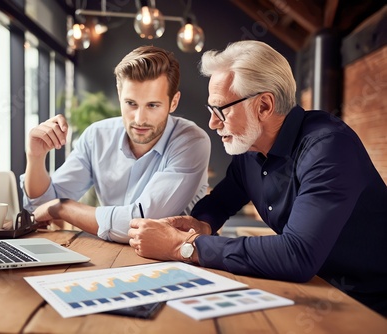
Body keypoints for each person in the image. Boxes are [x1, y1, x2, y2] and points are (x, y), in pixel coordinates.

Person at [128, 40, 387, 315]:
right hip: (314, 292)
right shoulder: (250, 148)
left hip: (368, 305)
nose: (212, 123)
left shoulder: (329, 148)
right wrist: (201, 224)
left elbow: (296, 255)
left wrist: (184, 246)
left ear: (264, 106)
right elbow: (221, 202)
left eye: (221, 110)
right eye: (210, 111)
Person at [20, 45, 211, 243]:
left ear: (173, 102)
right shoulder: (97, 136)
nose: (139, 119)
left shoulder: (192, 142)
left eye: (152, 105)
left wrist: (63, 207)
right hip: (107, 255)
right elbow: (41, 208)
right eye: (131, 103)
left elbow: (144, 223)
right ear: (119, 96)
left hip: (175, 261)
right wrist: (35, 157)